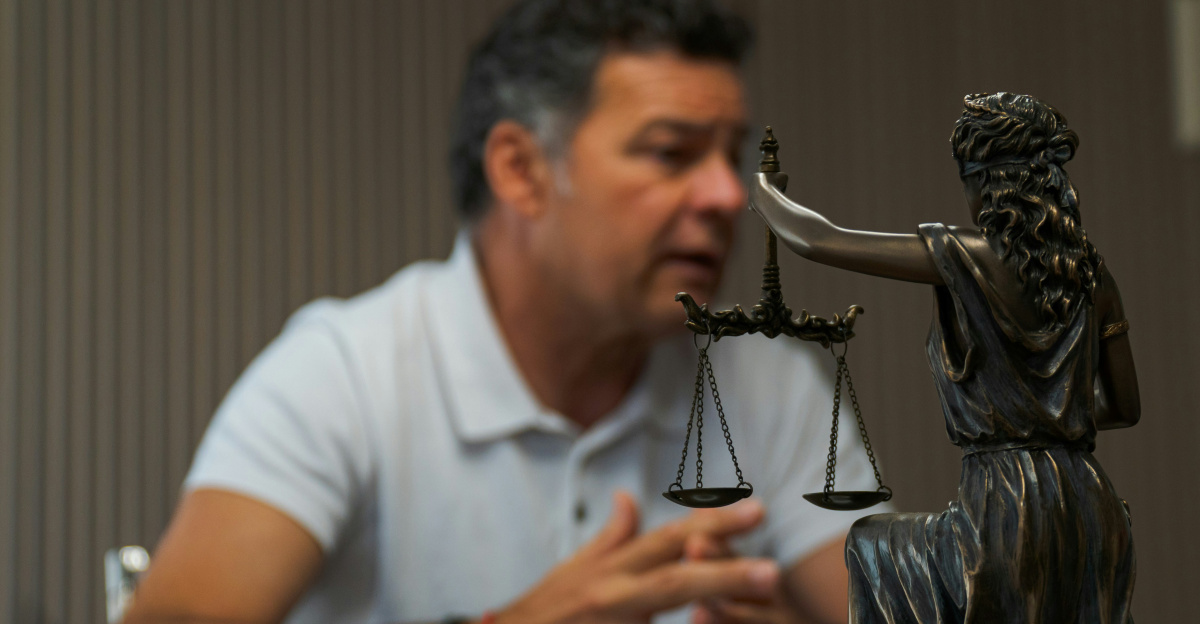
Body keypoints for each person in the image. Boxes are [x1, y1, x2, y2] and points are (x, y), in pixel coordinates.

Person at [124, 2, 885, 623]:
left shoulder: (770, 385)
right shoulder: (346, 372)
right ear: (520, 171)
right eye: (671, 153)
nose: (727, 195)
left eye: (731, 156)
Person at [748, 92, 1139, 622]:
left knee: (871, 544)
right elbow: (1124, 407)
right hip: (1090, 507)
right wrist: (1053, 417)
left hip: (1005, 506)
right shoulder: (1094, 276)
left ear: (983, 183)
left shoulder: (966, 254)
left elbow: (818, 239)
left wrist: (766, 193)